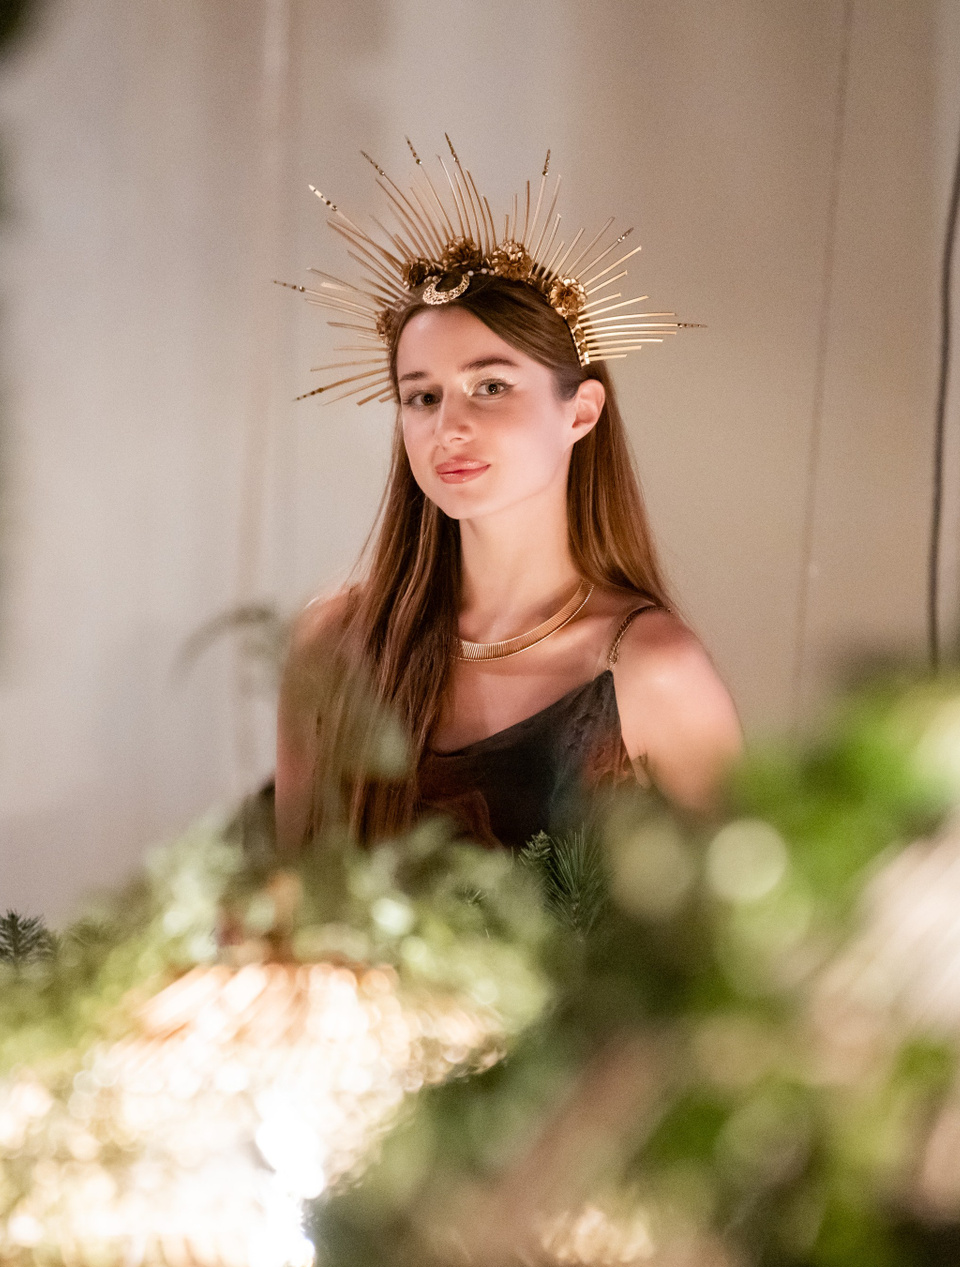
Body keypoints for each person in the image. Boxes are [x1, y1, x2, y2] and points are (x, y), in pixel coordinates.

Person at [274, 147, 742, 852]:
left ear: (581, 411)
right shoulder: (337, 642)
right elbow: (288, 892)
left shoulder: (652, 668)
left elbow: (746, 909)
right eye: (422, 397)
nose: (449, 427)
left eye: (490, 386)